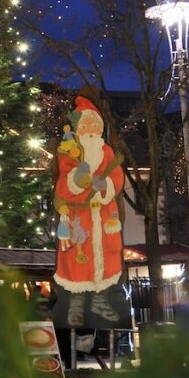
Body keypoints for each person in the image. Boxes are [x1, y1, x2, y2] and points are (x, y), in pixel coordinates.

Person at [53, 97, 126, 327]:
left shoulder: (106, 152)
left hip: (105, 219)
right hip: (79, 219)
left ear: (100, 128)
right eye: (84, 126)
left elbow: (117, 178)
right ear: (77, 129)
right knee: (78, 262)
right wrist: (79, 180)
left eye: (93, 125)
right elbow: (63, 186)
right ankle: (75, 305)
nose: (89, 130)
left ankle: (99, 301)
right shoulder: (70, 153)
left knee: (106, 261)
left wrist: (106, 186)